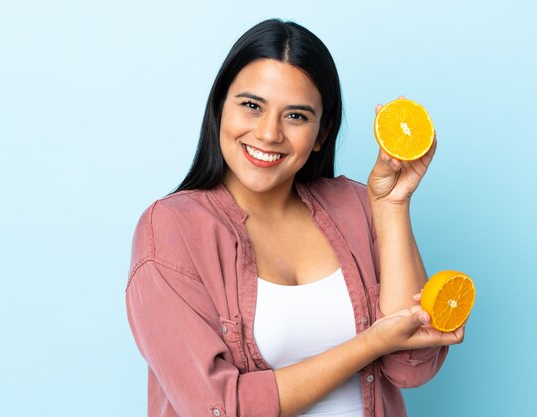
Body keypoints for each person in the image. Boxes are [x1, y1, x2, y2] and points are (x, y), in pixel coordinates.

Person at [125, 18, 466, 417]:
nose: (269, 134)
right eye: (252, 106)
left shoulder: (356, 206)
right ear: (219, 109)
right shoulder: (171, 230)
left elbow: (412, 365)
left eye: (297, 116)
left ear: (322, 133)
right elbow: (217, 408)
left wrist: (391, 206)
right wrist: (371, 343)